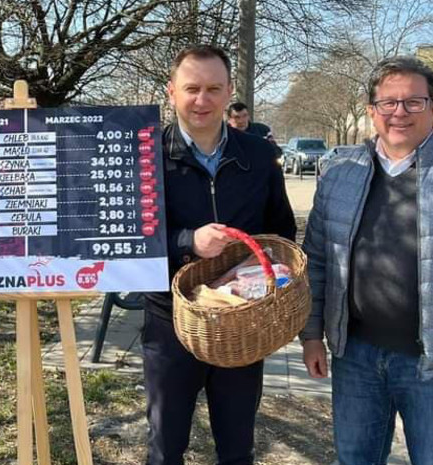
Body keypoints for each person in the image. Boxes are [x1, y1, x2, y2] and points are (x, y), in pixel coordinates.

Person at [141, 45, 296, 465]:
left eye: (213, 89)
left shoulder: (259, 155)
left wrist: (257, 274)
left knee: (237, 448)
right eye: (192, 88)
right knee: (165, 447)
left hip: (241, 324)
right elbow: (130, 239)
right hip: (170, 321)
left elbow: (282, 231)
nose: (202, 100)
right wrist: (187, 241)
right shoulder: (145, 155)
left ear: (229, 92)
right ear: (172, 91)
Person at [301, 56, 433, 464]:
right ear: (371, 110)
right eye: (388, 102)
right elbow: (316, 261)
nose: (399, 112)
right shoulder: (340, 173)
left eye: (414, 102)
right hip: (355, 356)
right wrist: (311, 336)